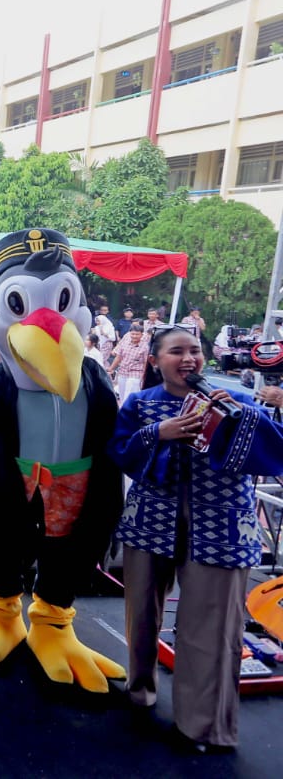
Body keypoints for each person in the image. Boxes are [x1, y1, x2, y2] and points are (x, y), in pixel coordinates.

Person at [108, 325, 283, 753]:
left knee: (211, 630)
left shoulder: (240, 402)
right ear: (153, 361)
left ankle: (201, 726)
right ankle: (139, 689)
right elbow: (119, 453)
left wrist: (249, 418)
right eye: (176, 352)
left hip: (220, 530)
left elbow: (275, 453)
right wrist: (158, 433)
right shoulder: (140, 404)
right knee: (141, 617)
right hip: (150, 524)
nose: (189, 359)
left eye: (195, 351)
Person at [108, 322, 149, 403]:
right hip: (123, 371)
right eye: (133, 334)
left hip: (136, 373)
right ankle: (123, 411)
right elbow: (118, 357)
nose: (134, 336)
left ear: (141, 335)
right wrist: (111, 369)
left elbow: (145, 363)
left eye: (137, 334)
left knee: (129, 395)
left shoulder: (145, 347)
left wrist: (144, 376)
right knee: (122, 395)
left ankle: (127, 412)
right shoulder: (125, 343)